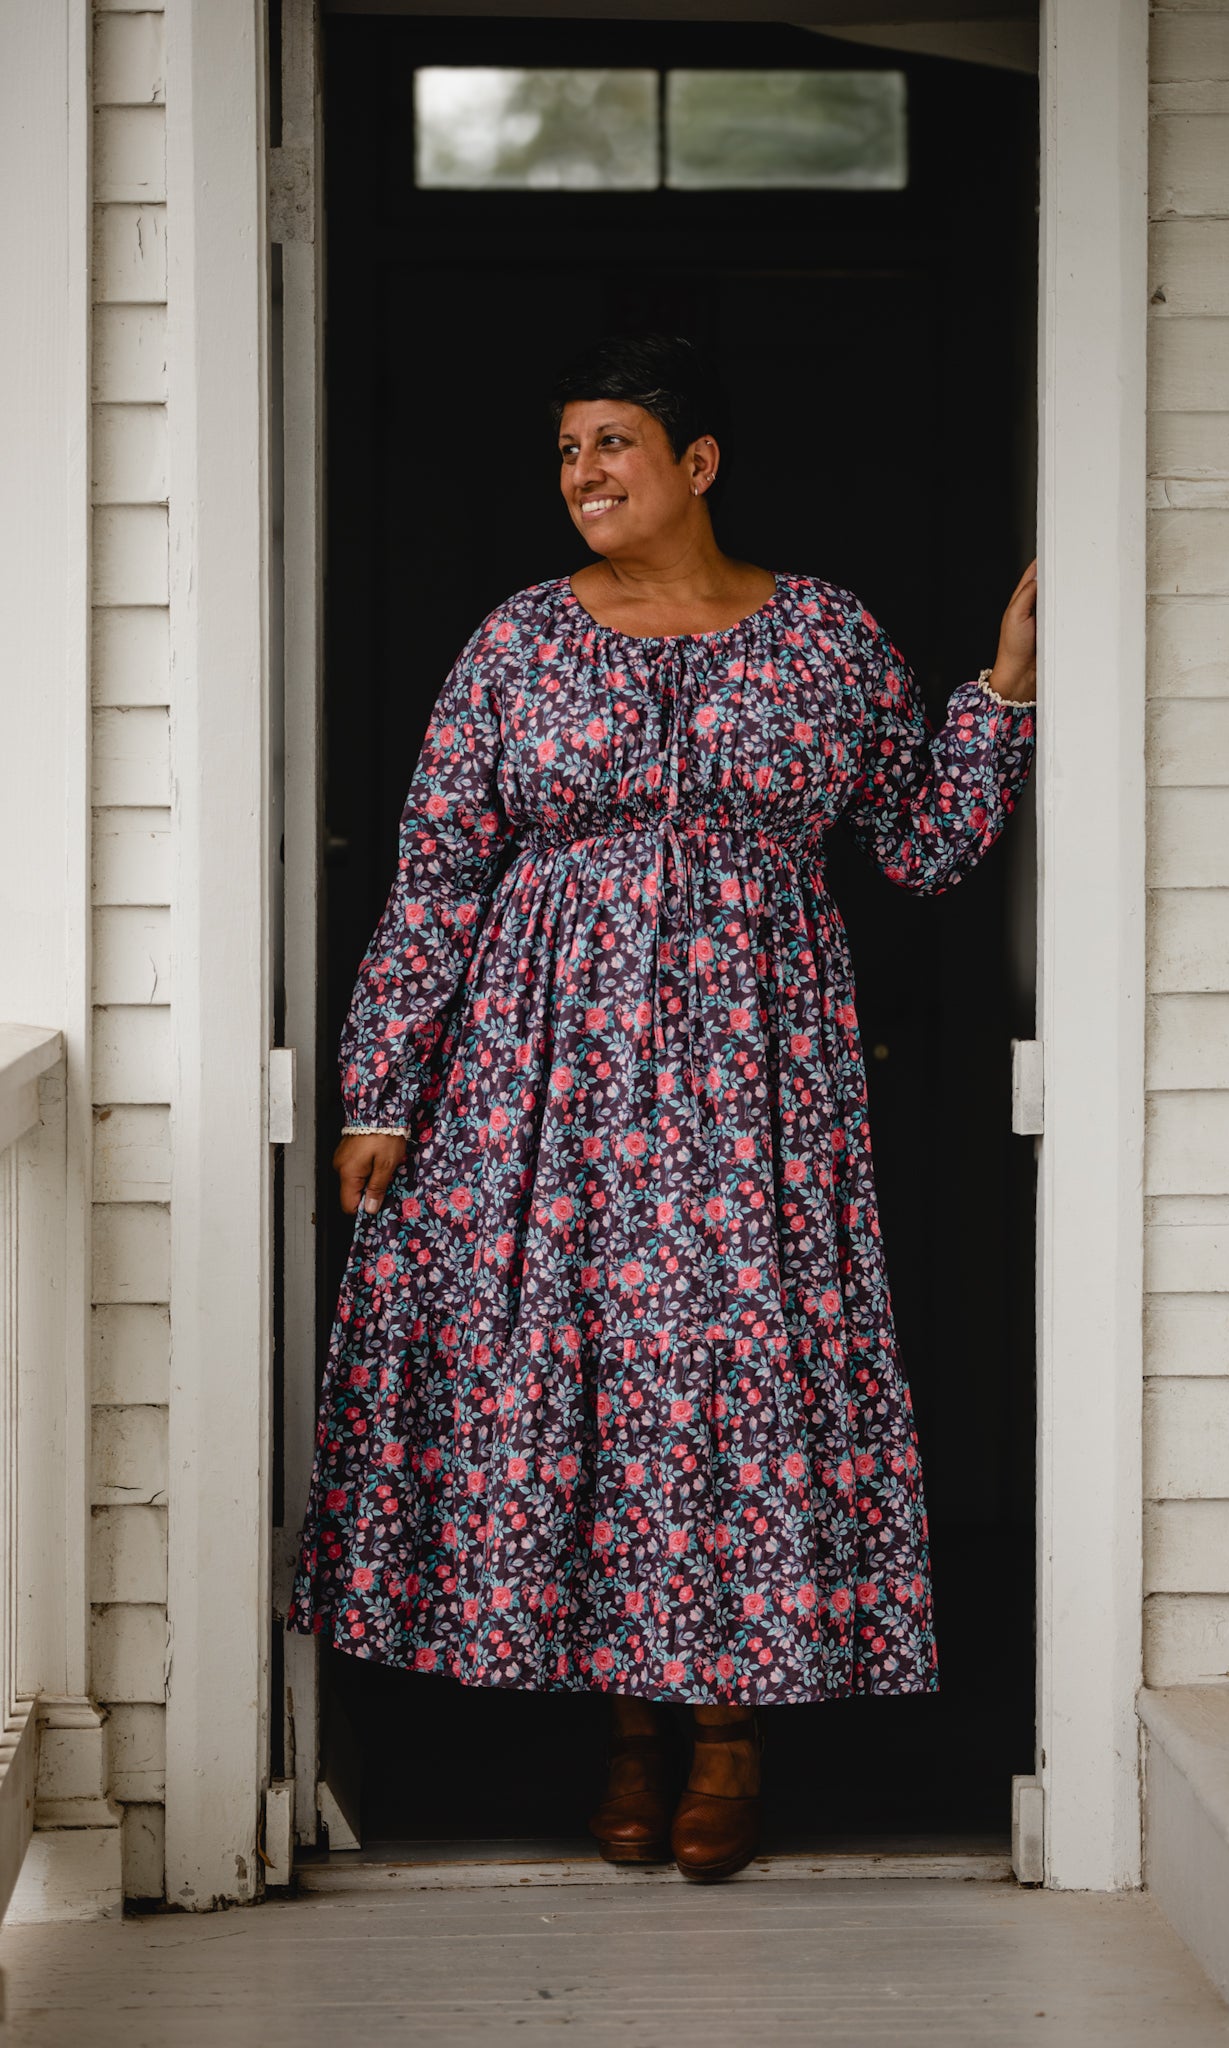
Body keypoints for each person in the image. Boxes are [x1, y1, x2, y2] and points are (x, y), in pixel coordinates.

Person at [288, 332, 1038, 1883]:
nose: (581, 476)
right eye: (565, 452)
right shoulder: (515, 644)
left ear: (697, 465)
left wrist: (1004, 692)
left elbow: (919, 846)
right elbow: (438, 872)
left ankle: (729, 1739)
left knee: (731, 1388)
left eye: (611, 444)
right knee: (591, 1387)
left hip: (757, 1086)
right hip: (537, 1079)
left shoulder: (824, 634)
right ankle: (626, 1732)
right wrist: (382, 1090)